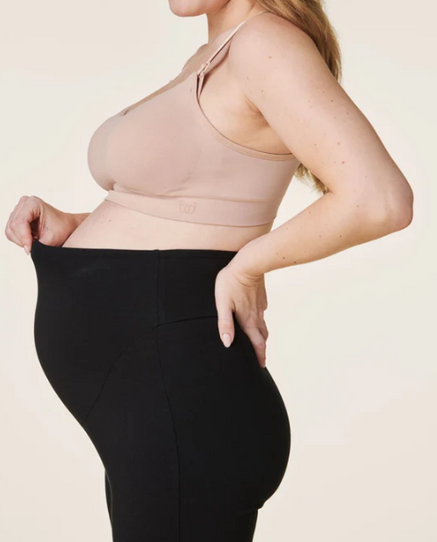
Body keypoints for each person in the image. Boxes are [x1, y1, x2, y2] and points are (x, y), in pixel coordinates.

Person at [5, 1, 414, 541]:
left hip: (182, 410)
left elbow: (380, 199)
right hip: (155, 413)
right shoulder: (217, 51)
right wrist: (79, 227)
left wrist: (247, 266)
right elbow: (189, 209)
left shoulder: (263, 44)